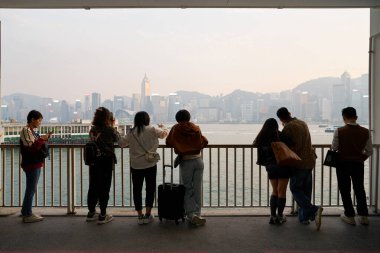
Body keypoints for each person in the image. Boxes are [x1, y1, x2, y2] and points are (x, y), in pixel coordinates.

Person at [276, 107, 323, 230]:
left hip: (299, 163)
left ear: (281, 119)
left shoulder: (288, 128)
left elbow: (287, 146)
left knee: (295, 188)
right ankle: (304, 218)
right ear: (290, 114)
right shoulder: (302, 123)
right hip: (310, 160)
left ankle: (314, 210)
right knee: (306, 190)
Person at [118, 111, 168, 225]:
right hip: (150, 164)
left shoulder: (132, 132)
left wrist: (116, 133)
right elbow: (164, 134)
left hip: (136, 166)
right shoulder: (152, 129)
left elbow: (121, 143)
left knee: (137, 190)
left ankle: (140, 216)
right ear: (147, 119)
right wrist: (163, 127)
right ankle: (148, 214)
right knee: (150, 189)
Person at [166, 109, 208, 226]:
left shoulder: (176, 128)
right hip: (199, 160)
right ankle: (198, 213)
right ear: (189, 117)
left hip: (187, 161)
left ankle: (191, 215)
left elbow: (169, 142)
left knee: (187, 188)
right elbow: (203, 141)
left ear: (177, 118)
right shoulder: (195, 127)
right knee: (197, 188)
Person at [332, 107, 373, 225]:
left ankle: (350, 216)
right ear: (356, 117)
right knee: (359, 189)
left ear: (344, 118)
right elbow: (369, 151)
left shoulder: (339, 131)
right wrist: (360, 158)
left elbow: (334, 148)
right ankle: (363, 216)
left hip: (342, 164)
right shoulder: (366, 132)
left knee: (345, 190)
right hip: (358, 165)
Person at [253, 118, 292, 224]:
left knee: (275, 191)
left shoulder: (262, 137)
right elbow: (291, 145)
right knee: (282, 191)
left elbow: (257, 147)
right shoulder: (280, 135)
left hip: (270, 167)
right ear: (276, 126)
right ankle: (280, 216)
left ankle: (272, 216)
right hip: (283, 165)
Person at [86, 107, 119, 225]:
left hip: (94, 161)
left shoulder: (93, 129)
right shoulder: (110, 130)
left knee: (93, 186)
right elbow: (118, 139)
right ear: (108, 118)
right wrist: (113, 125)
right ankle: (103, 215)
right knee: (105, 187)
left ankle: (91, 212)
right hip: (106, 162)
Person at [20, 110, 52, 223]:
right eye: (39, 120)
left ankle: (26, 211)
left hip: (36, 163)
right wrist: (41, 139)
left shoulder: (32, 131)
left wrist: (43, 139)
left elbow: (36, 146)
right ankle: (27, 214)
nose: (39, 122)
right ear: (32, 119)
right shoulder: (26, 130)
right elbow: (31, 148)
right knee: (31, 189)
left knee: (31, 188)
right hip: (31, 164)